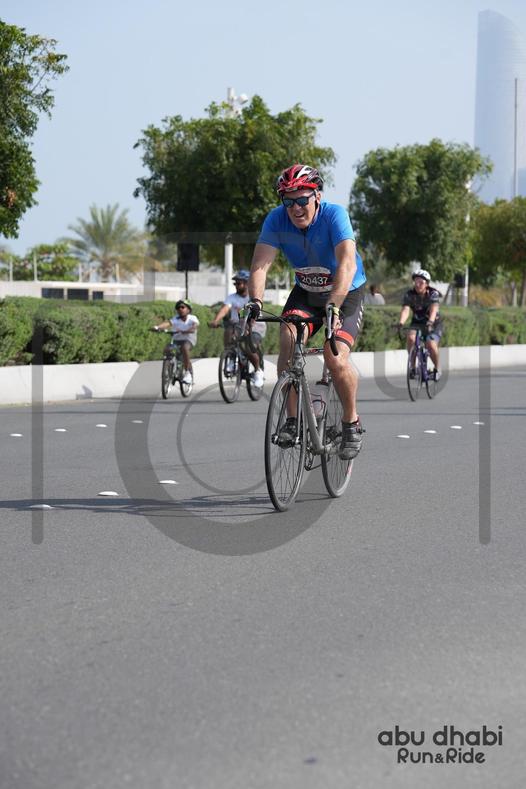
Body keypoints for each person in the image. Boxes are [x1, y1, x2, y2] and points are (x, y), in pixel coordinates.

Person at [245, 163, 367, 460]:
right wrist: (255, 301)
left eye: (302, 200)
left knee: (334, 356)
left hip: (344, 292)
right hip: (307, 291)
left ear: (317, 197)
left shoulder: (335, 215)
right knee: (288, 336)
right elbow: (260, 265)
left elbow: (347, 264)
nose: (296, 208)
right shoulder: (276, 219)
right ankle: (291, 420)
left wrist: (334, 305)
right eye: (289, 202)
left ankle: (351, 422)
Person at [208, 270, 265, 388]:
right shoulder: (232, 297)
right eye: (235, 283)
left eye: (239, 283)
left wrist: (249, 327)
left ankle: (258, 370)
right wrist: (216, 320)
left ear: (247, 283)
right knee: (228, 331)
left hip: (255, 325)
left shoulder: (253, 298)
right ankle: (230, 357)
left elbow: (255, 314)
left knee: (249, 347)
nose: (236, 286)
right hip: (238, 325)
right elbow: (225, 309)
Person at [398, 269, 443, 380]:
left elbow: (434, 309)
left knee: (430, 344)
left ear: (426, 284)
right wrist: (401, 323)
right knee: (411, 338)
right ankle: (412, 367)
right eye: (416, 282)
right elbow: (406, 310)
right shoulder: (410, 294)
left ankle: (437, 369)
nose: (418, 284)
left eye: (421, 282)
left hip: (433, 323)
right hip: (417, 322)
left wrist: (430, 322)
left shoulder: (433, 293)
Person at [153, 299, 199, 383]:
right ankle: (169, 366)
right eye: (178, 308)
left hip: (189, 339)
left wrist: (187, 330)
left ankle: (187, 373)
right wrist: (157, 327)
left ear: (188, 309)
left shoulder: (192, 318)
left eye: (182, 307)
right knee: (167, 349)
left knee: (185, 348)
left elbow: (194, 326)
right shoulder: (176, 319)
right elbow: (167, 324)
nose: (180, 309)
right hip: (177, 340)